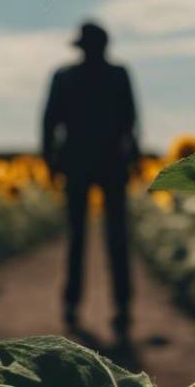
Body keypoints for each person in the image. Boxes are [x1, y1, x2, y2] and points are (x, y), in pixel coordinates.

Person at [41, 21, 138, 340]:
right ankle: (120, 308)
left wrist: (49, 163)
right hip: (109, 163)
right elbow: (131, 121)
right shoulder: (117, 74)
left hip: (78, 163)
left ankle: (76, 305)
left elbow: (49, 122)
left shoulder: (65, 76)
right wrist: (133, 159)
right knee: (114, 239)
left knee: (80, 238)